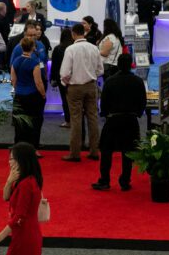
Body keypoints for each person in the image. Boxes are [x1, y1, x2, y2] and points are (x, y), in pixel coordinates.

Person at [93, 54, 145, 191]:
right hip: (131, 120)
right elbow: (142, 101)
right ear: (131, 64)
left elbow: (104, 101)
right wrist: (138, 113)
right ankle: (125, 181)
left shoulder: (110, 81)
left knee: (106, 151)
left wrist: (105, 114)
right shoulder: (138, 81)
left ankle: (104, 180)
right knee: (128, 152)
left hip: (113, 119)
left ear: (118, 64)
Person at [60, 23, 104, 162]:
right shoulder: (94, 48)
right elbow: (100, 70)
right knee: (93, 118)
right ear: (83, 33)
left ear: (73, 34)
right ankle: (94, 151)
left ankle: (75, 153)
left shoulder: (70, 49)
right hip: (91, 86)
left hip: (75, 87)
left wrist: (66, 83)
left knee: (76, 120)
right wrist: (91, 76)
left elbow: (64, 73)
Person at [11, 37, 46, 150]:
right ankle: (33, 148)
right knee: (35, 122)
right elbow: (38, 82)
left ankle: (18, 147)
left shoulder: (15, 61)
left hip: (19, 95)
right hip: (32, 96)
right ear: (33, 47)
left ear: (21, 47)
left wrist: (18, 89)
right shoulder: (34, 63)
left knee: (19, 122)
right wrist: (43, 94)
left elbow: (13, 80)